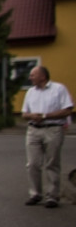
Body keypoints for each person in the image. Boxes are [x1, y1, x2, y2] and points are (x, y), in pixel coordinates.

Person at [21, 65, 73, 208]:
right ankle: (35, 193)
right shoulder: (30, 92)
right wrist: (31, 116)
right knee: (32, 164)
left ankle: (52, 196)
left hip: (53, 129)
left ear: (42, 76)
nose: (30, 77)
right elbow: (24, 113)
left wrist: (45, 116)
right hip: (33, 130)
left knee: (52, 163)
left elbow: (68, 110)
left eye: (32, 75)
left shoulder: (59, 89)